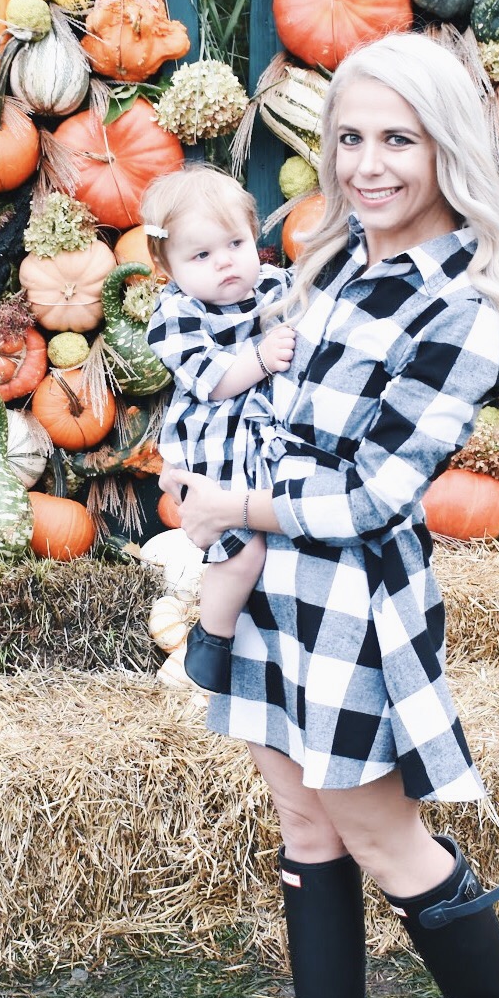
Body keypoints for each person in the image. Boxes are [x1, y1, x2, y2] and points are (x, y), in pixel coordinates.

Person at [159, 32, 499, 998]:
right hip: (273, 580)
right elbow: (263, 410)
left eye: (396, 138)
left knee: (378, 831)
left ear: (446, 149)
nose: (367, 163)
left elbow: (377, 494)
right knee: (299, 815)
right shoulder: (334, 265)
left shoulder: (459, 307)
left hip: (350, 598)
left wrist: (230, 507)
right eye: (347, 138)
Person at [141, 166, 296, 693]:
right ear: (167, 265)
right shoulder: (176, 314)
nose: (225, 261)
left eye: (235, 242)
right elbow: (216, 382)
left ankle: (274, 646)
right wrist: (262, 357)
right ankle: (212, 639)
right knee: (243, 548)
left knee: (287, 541)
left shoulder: (277, 286)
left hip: (269, 442)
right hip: (216, 449)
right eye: (201, 255)